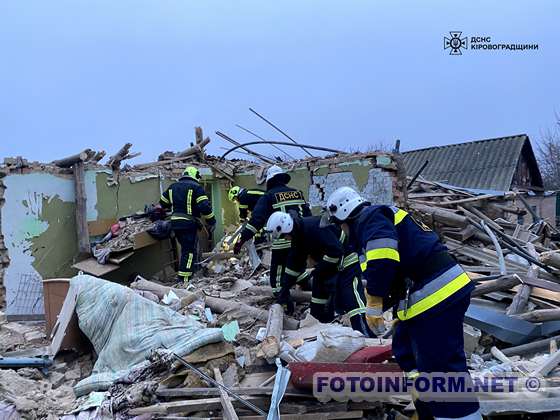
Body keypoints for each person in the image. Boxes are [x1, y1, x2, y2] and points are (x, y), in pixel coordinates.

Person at [326, 187, 480, 420]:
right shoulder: (375, 221)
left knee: (442, 370)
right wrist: (395, 308)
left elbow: (383, 258)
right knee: (405, 350)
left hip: (438, 296)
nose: (342, 232)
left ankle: (458, 416)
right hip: (425, 298)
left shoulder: (370, 218)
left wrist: (375, 299)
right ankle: (427, 409)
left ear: (344, 216)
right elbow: (397, 269)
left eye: (339, 226)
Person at [266, 211, 373, 337]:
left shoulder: (315, 227)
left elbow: (336, 251)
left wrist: (320, 269)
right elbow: (293, 265)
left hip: (346, 263)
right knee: (317, 301)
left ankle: (365, 333)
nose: (285, 239)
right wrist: (284, 291)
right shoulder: (298, 237)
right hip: (326, 267)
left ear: (287, 228)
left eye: (284, 236)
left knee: (351, 299)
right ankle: (320, 331)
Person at [233, 165, 311, 295]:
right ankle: (313, 289)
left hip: (283, 243)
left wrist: (241, 240)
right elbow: (308, 216)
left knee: (277, 279)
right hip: (302, 242)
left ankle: (283, 305)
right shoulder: (297, 193)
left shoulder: (268, 196)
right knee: (296, 269)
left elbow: (256, 221)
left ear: (269, 181)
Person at [160, 166, 216, 284]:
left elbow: (162, 204)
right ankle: (185, 279)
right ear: (194, 175)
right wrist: (212, 222)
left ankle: (188, 273)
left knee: (186, 249)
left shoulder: (172, 187)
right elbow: (205, 207)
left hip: (175, 223)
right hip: (188, 223)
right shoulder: (196, 187)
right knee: (189, 251)